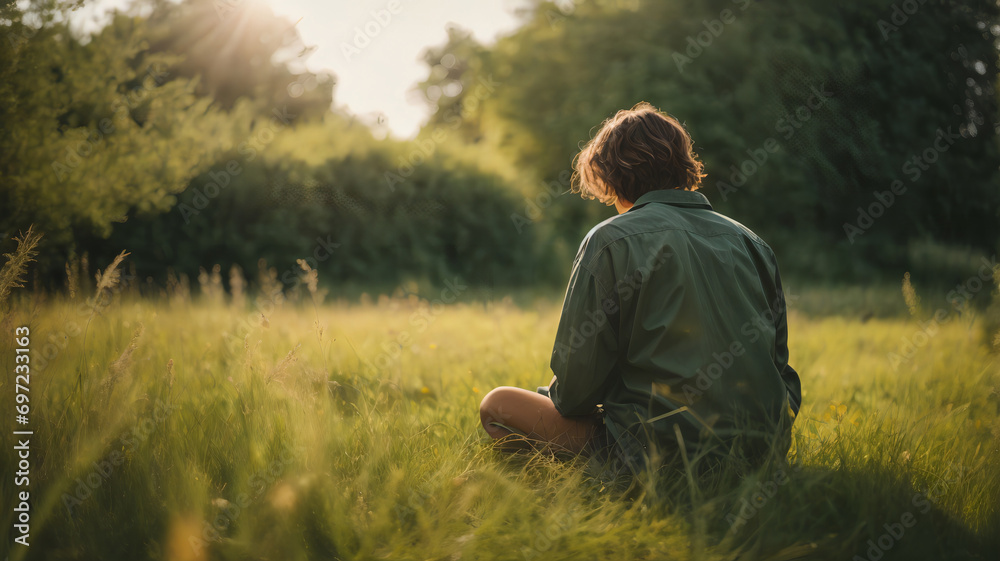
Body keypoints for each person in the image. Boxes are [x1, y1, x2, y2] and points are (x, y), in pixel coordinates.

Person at [478, 102, 801, 476]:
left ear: (610, 176)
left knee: (497, 405)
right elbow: (781, 368)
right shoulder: (752, 242)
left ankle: (582, 480)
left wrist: (558, 400)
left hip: (657, 454)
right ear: (683, 166)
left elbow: (574, 395)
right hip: (761, 452)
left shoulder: (610, 240)